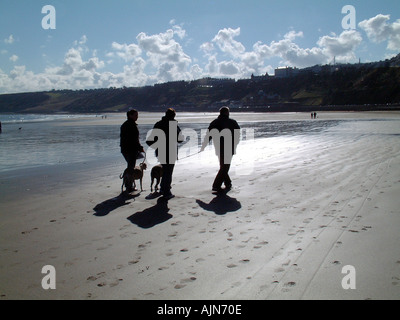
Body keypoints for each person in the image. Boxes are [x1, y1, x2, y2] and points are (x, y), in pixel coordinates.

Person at [146, 108, 184, 199]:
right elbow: (180, 139)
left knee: (165, 170)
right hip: (171, 151)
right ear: (174, 115)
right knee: (168, 172)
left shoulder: (158, 124)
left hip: (160, 151)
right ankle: (166, 191)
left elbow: (150, 140)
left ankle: (163, 189)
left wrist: (157, 147)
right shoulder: (173, 124)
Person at [200, 106, 240, 192]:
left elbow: (208, 135)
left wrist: (203, 145)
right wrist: (235, 144)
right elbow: (237, 135)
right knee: (225, 167)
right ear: (227, 113)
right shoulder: (232, 122)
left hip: (219, 147)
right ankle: (216, 185)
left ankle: (228, 183)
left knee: (223, 166)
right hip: (230, 147)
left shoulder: (215, 122)